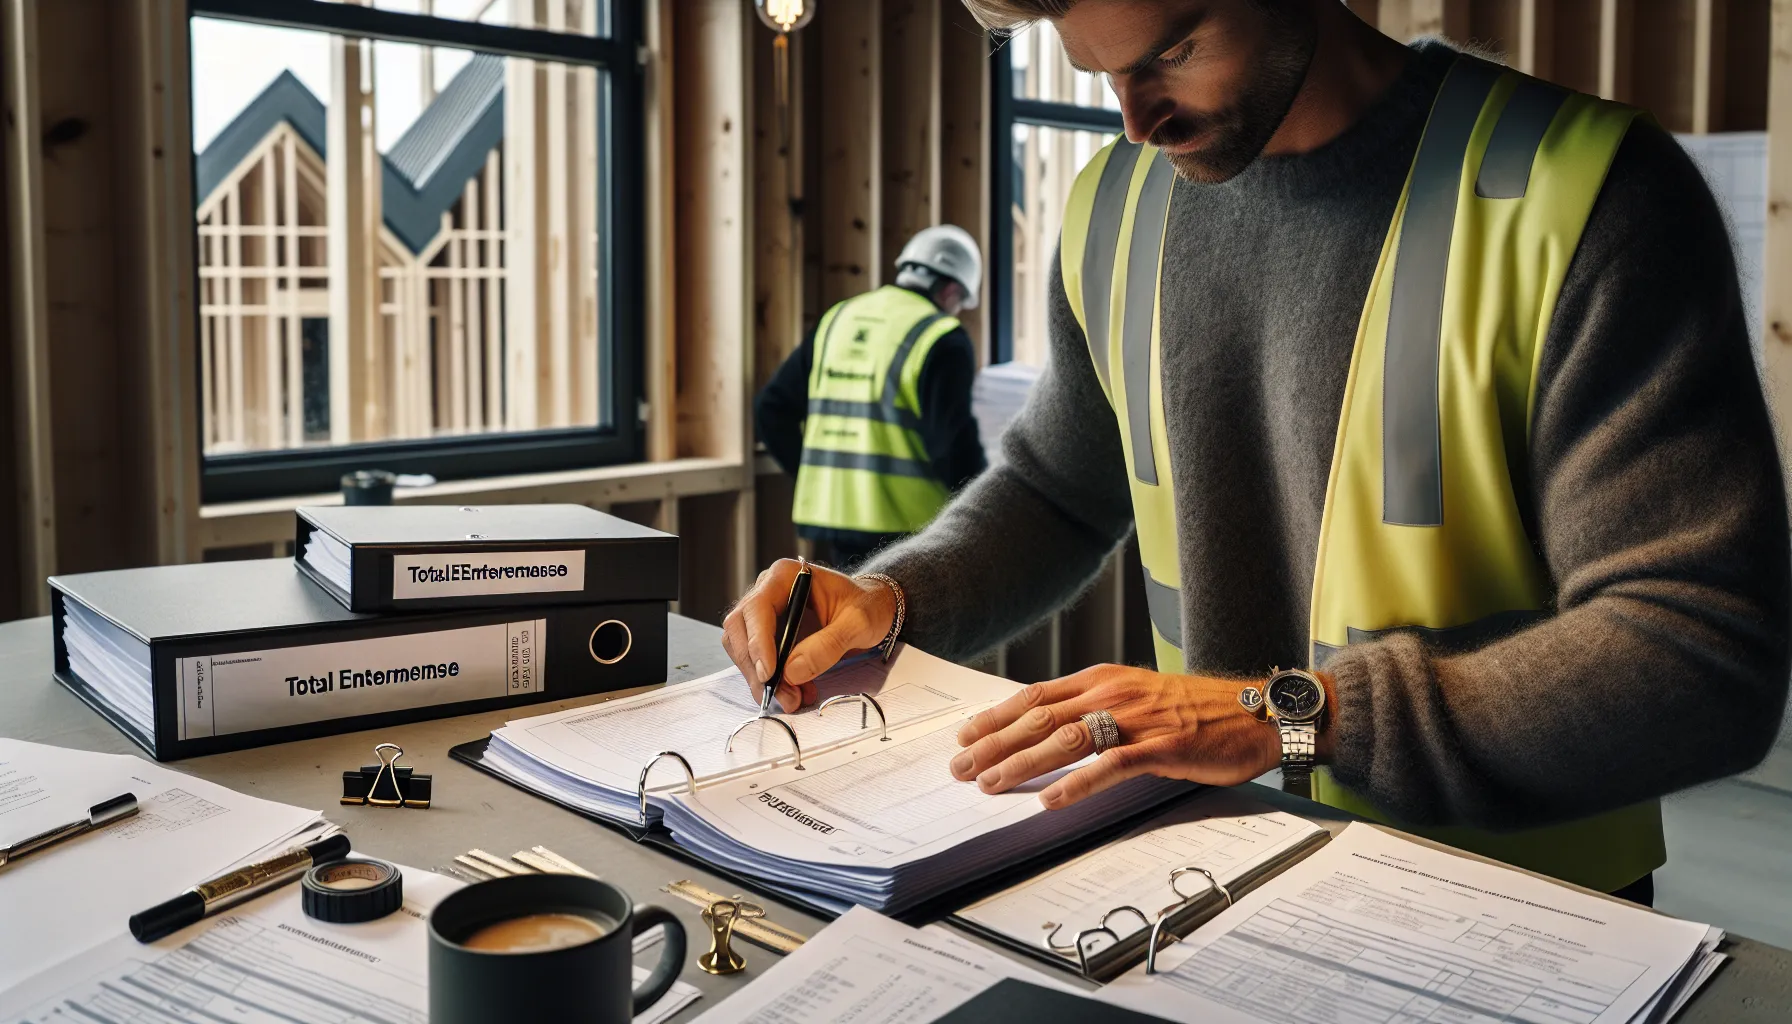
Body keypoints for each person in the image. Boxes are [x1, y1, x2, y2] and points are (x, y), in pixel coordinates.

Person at [722, 0, 1791, 905]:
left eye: (1173, 51)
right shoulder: (1116, 206)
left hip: (1516, 905)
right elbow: (1056, 488)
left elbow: (1699, 656)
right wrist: (890, 598)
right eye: (1097, 70)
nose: (1135, 120)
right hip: (1215, 881)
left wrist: (1285, 719)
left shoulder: (1585, 194)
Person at [755, 227, 989, 571]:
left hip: (835, 520)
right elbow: (953, 447)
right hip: (909, 528)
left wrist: (816, 476)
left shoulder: (838, 319)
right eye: (959, 304)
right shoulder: (940, 336)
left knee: (848, 623)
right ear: (952, 289)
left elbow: (770, 410)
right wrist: (986, 508)